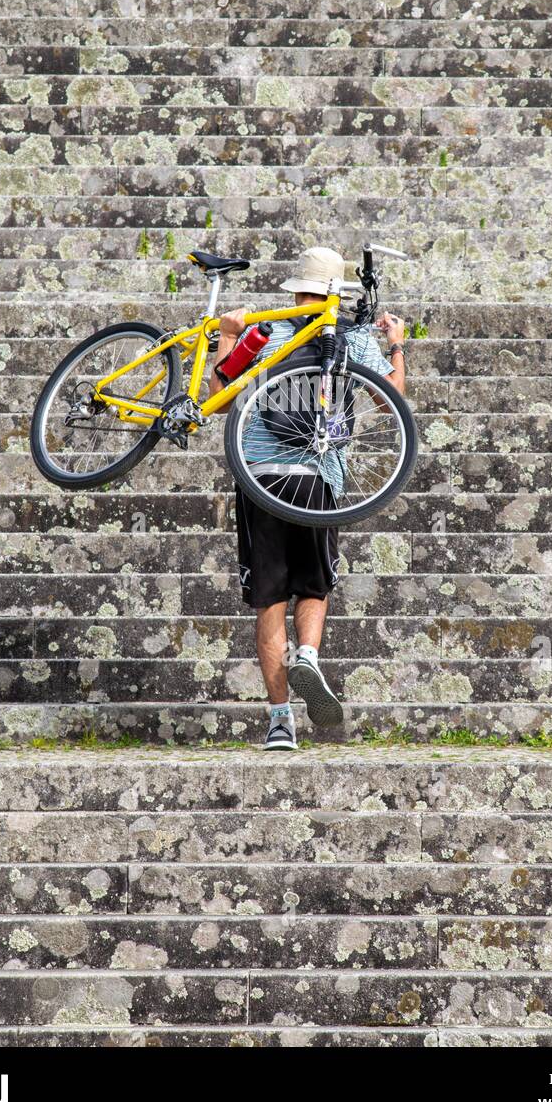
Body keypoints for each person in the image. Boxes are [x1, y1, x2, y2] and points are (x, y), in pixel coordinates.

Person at [208, 246, 406, 749]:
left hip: (261, 474)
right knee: (314, 587)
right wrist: (398, 346)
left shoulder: (267, 329)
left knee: (269, 599)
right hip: (320, 475)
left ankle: (280, 723)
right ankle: (309, 659)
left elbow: (221, 396)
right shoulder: (353, 335)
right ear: (336, 292)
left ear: (296, 290)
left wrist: (228, 337)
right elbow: (392, 401)